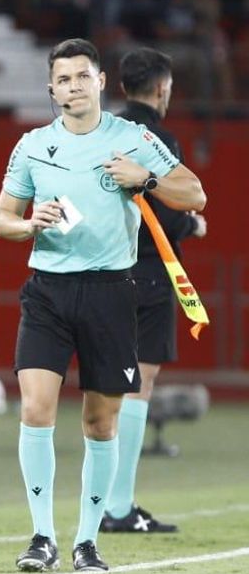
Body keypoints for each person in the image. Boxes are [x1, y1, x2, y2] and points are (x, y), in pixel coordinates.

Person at [0, 38, 205, 574]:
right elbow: (2, 219)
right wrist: (27, 224)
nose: (73, 87)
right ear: (51, 88)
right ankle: (42, 536)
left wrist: (147, 180)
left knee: (99, 421)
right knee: (36, 409)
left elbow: (194, 193)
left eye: (82, 77)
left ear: (101, 82)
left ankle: (87, 542)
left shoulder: (132, 138)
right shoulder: (32, 146)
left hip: (112, 292)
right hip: (48, 291)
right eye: (63, 80)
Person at [106, 48, 202, 534]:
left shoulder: (102, 132)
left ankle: (102, 502)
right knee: (138, 385)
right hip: (148, 271)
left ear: (121, 88)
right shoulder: (157, 139)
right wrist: (192, 224)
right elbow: (165, 208)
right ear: (162, 89)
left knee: (105, 388)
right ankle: (118, 506)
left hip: (103, 272)